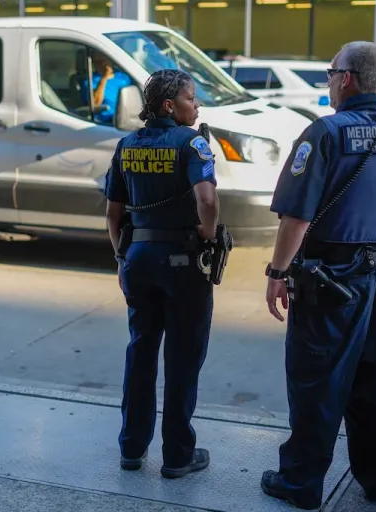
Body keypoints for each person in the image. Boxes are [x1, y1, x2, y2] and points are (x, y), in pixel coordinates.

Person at [260, 41, 376, 509]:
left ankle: (300, 483)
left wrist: (277, 272)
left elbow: (295, 219)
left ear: (345, 79)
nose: (329, 82)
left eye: (333, 73)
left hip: (333, 280)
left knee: (317, 381)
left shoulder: (325, 133)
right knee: (373, 382)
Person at [103, 69, 220, 479]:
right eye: (192, 98)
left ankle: (131, 449)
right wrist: (207, 233)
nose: (197, 105)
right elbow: (206, 198)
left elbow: (113, 214)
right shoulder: (193, 143)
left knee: (141, 351)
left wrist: (122, 258)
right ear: (170, 105)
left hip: (137, 259)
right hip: (183, 263)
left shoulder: (126, 145)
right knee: (183, 358)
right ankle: (176, 456)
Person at [81, 51, 132, 124]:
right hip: (104, 122)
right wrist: (104, 78)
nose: (101, 65)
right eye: (97, 62)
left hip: (125, 118)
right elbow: (95, 103)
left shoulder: (124, 77)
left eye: (103, 61)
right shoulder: (89, 81)